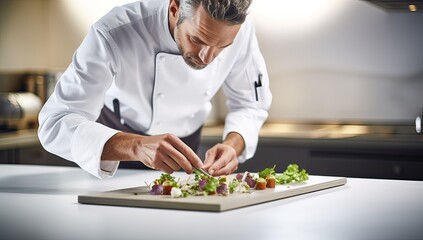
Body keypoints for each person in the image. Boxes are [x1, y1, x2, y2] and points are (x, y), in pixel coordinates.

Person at [38, 0, 272, 179]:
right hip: (113, 154)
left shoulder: (242, 32)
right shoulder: (114, 32)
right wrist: (137, 146)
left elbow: (251, 103)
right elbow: (54, 123)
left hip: (187, 156)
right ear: (174, 8)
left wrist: (233, 145)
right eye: (197, 40)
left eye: (222, 47)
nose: (206, 58)